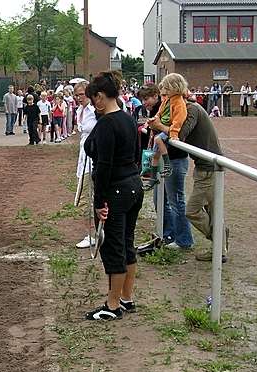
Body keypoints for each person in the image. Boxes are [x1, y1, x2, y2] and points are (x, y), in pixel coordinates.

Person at [83, 71, 143, 321]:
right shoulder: (128, 118)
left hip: (115, 189)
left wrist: (100, 203)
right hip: (132, 185)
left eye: (93, 98)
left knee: (113, 247)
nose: (92, 103)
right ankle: (126, 298)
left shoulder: (107, 124)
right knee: (127, 243)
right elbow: (138, 153)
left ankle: (113, 304)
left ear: (99, 96)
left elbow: (104, 165)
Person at [150, 96, 228, 262]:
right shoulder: (185, 109)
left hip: (209, 168)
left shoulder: (191, 109)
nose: (163, 99)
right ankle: (219, 247)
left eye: (166, 95)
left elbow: (180, 134)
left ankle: (219, 239)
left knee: (192, 211)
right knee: (212, 211)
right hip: (205, 166)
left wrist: (159, 127)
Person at [144, 73, 188, 191]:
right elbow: (160, 112)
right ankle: (153, 178)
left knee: (158, 140)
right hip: (164, 126)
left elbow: (178, 120)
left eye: (167, 89)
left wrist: (173, 133)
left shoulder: (179, 102)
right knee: (154, 155)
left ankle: (167, 164)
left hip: (169, 128)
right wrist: (154, 119)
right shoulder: (167, 100)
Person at [73, 80, 99, 249]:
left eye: (81, 94)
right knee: (87, 196)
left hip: (94, 159)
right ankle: (93, 232)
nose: (78, 98)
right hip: (83, 157)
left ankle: (92, 234)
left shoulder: (95, 111)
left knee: (87, 198)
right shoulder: (80, 110)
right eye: (76, 95)